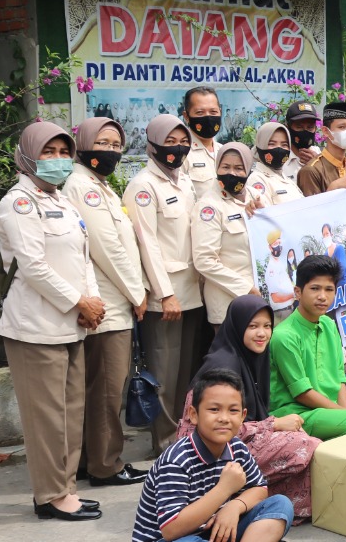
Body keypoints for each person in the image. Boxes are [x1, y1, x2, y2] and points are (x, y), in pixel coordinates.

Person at [0, 121, 105, 520]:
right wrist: (79, 302)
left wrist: (91, 300)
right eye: (48, 152)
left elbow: (83, 257)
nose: (58, 160)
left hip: (72, 324)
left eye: (63, 153)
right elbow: (33, 266)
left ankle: (66, 489)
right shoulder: (18, 203)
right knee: (46, 419)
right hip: (35, 327)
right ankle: (50, 495)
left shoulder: (63, 200)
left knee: (71, 413)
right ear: (28, 156)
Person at [132, 369, 295, 542]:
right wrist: (224, 490)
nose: (224, 418)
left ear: (243, 416)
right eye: (214, 409)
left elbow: (260, 489)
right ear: (193, 414)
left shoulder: (236, 448)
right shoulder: (176, 460)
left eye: (233, 411)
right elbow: (171, 529)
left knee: (281, 504)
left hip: (215, 533)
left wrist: (234, 507)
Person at [177, 296, 320, 521]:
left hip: (233, 441)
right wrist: (274, 424)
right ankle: (231, 500)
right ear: (237, 327)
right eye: (253, 326)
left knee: (301, 439)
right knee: (303, 445)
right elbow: (210, 426)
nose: (262, 333)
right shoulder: (223, 366)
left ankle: (265, 501)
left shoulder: (251, 357)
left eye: (267, 326)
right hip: (207, 455)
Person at [63, 117, 148, 488]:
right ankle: (106, 465)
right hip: (108, 305)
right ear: (83, 144)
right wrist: (137, 293)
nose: (111, 150)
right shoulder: (84, 187)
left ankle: (90, 460)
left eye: (116, 144)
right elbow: (107, 248)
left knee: (99, 388)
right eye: (102, 143)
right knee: (108, 391)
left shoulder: (98, 185)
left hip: (111, 302)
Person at [125, 114, 205, 454]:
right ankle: (164, 443)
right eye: (169, 142)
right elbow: (147, 244)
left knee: (186, 373)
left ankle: (182, 435)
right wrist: (165, 293)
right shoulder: (143, 186)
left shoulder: (184, 180)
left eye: (183, 141)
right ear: (153, 144)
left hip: (193, 292)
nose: (177, 148)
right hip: (166, 298)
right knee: (164, 374)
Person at [268, 255, 346, 437]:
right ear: (298, 292)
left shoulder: (328, 324)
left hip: (329, 413)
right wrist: (345, 416)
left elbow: (339, 378)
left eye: (329, 289)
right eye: (315, 288)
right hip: (298, 415)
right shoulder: (284, 336)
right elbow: (302, 393)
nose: (322, 296)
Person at [193, 143, 259, 327]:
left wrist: (263, 215)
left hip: (259, 301)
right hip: (228, 304)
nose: (232, 173)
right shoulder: (209, 206)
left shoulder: (255, 196)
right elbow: (204, 260)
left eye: (239, 168)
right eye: (225, 167)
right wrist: (246, 289)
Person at [296, 101, 346, 197]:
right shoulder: (311, 171)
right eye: (342, 127)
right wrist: (332, 189)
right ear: (326, 131)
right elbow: (309, 206)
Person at [246, 123, 303, 206]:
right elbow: (264, 211)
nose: (279, 149)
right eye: (272, 144)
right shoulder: (257, 178)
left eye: (284, 145)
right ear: (260, 145)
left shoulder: (286, 179)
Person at [182, 86, 222, 198]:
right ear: (186, 116)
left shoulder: (224, 151)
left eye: (213, 112)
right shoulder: (182, 154)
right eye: (200, 112)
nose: (208, 117)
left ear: (220, 112)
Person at [263, 230, 296, 322]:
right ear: (270, 247)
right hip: (283, 312)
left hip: (288, 309)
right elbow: (276, 297)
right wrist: (293, 295)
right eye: (275, 244)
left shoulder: (278, 263)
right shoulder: (272, 267)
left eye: (279, 243)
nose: (279, 246)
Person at [283, 100, 320, 181]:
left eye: (310, 127)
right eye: (299, 127)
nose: (305, 131)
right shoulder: (281, 159)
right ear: (288, 129)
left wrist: (317, 165)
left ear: (315, 129)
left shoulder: (320, 156)